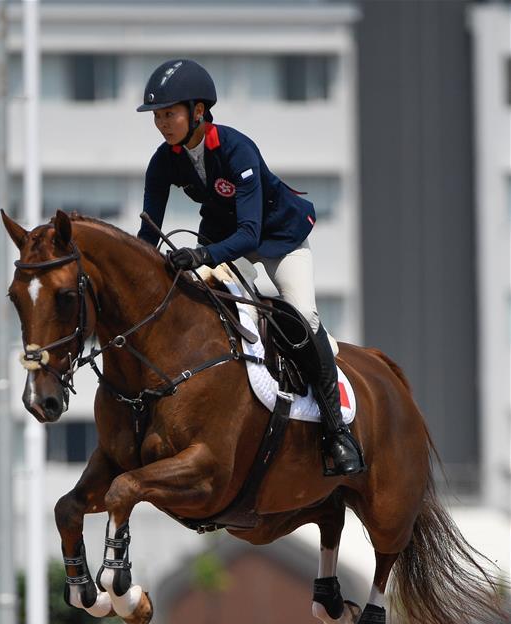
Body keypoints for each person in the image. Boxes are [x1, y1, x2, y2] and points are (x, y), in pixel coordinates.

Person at [136, 58, 364, 476]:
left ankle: (338, 434)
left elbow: (249, 232)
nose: (162, 123)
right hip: (225, 236)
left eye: (170, 113)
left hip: (277, 240)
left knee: (303, 315)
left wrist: (202, 256)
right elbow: (148, 231)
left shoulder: (237, 149)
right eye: (158, 116)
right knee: (200, 304)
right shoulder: (164, 160)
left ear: (198, 112)